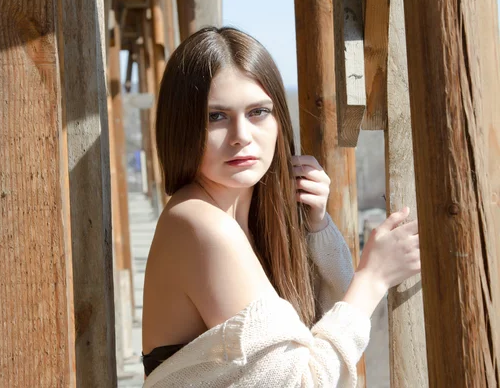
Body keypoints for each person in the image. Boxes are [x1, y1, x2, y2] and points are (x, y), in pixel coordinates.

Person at [141, 27, 420, 387]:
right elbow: (306, 380)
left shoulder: (235, 221)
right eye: (216, 117)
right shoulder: (200, 224)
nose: (242, 135)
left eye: (258, 111)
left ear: (278, 123)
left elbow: (316, 335)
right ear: (181, 127)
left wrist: (314, 227)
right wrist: (374, 277)